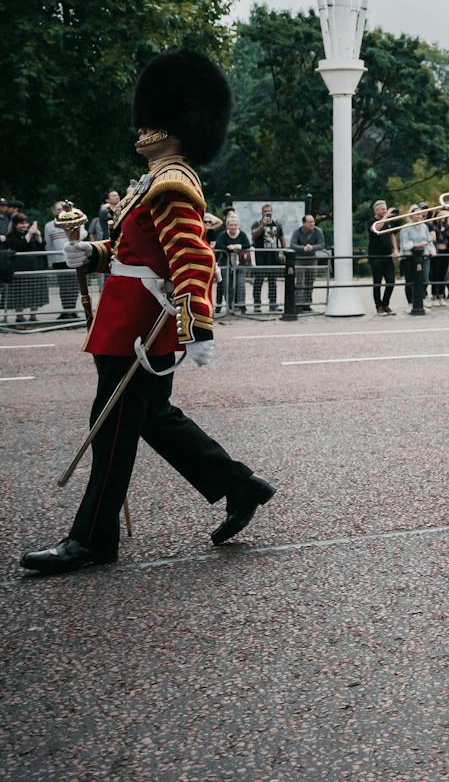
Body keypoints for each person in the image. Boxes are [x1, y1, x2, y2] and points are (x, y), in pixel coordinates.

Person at [20, 49, 273, 576]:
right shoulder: (153, 180)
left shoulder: (173, 182)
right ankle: (239, 484)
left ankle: (89, 540)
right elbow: (134, 251)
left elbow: (191, 256)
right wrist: (91, 253)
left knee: (111, 426)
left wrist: (198, 326)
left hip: (141, 325)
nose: (141, 128)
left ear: (178, 126)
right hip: (127, 316)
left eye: (153, 120)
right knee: (152, 419)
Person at [5, 212, 46, 322]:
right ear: (15, 225)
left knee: (35, 292)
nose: (24, 225)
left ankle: (33, 315)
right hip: (20, 269)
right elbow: (20, 246)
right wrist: (29, 234)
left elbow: (42, 247)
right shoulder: (10, 236)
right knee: (20, 293)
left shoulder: (32, 234)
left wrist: (37, 236)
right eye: (21, 223)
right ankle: (19, 316)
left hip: (35, 267)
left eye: (25, 223)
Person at [211, 211, 253, 314]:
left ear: (238, 225)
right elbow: (218, 246)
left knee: (240, 284)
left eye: (235, 225)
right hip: (226, 263)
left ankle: (241, 306)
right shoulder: (223, 234)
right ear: (227, 226)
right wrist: (228, 248)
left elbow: (247, 245)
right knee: (227, 285)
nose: (233, 227)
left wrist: (238, 247)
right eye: (231, 225)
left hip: (240, 263)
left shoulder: (242, 234)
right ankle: (229, 306)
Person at [396, 206, 431, 315]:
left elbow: (428, 240)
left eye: (421, 214)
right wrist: (417, 245)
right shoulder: (406, 228)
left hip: (423, 256)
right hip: (409, 257)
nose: (419, 216)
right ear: (411, 215)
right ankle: (410, 304)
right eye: (417, 214)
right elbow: (404, 245)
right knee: (410, 281)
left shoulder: (424, 227)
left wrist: (432, 250)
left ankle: (420, 300)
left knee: (424, 279)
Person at [250, 205, 284, 312]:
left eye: (269, 211)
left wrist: (285, 252)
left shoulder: (277, 224)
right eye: (265, 211)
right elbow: (254, 235)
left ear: (272, 212)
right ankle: (257, 304)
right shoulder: (257, 223)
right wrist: (263, 225)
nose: (267, 213)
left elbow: (282, 239)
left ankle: (273, 304)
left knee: (272, 281)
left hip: (273, 257)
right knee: (258, 281)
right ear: (262, 212)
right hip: (260, 257)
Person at [367, 200, 397, 315]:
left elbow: (392, 235)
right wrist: (386, 217)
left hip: (387, 255)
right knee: (377, 283)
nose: (385, 210)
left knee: (391, 281)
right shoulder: (371, 221)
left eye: (386, 208)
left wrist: (395, 249)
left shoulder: (388, 221)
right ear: (376, 210)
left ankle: (385, 304)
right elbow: (377, 229)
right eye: (383, 209)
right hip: (376, 256)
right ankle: (378, 306)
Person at [291, 213, 323, 312]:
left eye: (313, 221)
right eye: (309, 222)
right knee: (300, 281)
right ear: (304, 223)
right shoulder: (297, 232)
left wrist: (312, 247)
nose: (312, 224)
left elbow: (322, 244)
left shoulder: (318, 231)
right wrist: (303, 248)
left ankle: (307, 304)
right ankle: (298, 304)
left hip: (312, 260)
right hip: (300, 260)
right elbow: (293, 245)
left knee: (310, 282)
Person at [427, 211, 449, 302]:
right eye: (439, 215)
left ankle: (441, 294)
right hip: (436, 253)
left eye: (444, 216)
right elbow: (433, 238)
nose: (441, 218)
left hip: (446, 253)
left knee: (443, 274)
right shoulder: (432, 226)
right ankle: (434, 294)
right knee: (435, 274)